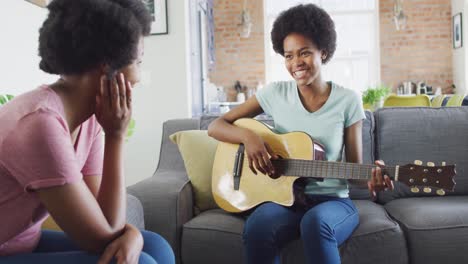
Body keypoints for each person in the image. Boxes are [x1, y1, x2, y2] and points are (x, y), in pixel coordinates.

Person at [208, 4, 393, 264]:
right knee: (258, 226)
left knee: (315, 224)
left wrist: (371, 178)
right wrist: (249, 138)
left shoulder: (348, 100)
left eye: (304, 53)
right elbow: (216, 126)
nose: (296, 63)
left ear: (323, 52)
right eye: (288, 56)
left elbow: (355, 172)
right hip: (286, 200)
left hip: (332, 202)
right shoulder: (275, 94)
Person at [0, 0, 174, 263]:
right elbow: (98, 236)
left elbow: (102, 216)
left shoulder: (89, 117)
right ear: (107, 65)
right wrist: (116, 136)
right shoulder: (40, 124)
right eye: (137, 62)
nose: (138, 77)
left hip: (22, 244)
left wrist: (134, 235)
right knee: (143, 260)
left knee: (156, 247)